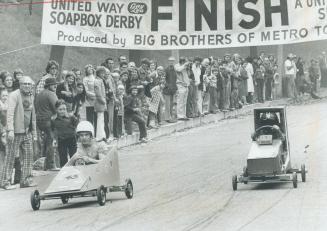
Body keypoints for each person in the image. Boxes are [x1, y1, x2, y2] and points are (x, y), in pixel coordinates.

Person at [0, 76, 37, 189]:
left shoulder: (31, 95)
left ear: (31, 86)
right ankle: (5, 182)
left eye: (28, 84)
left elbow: (32, 115)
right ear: (20, 85)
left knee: (28, 156)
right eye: (24, 84)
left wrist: (34, 132)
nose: (26, 86)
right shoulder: (14, 95)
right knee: (10, 157)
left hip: (27, 131)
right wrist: (10, 130)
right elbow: (10, 114)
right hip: (15, 132)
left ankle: (25, 180)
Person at [35, 77, 58, 170]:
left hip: (39, 121)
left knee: (45, 142)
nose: (55, 86)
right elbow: (57, 107)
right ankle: (51, 164)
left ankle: (43, 163)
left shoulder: (39, 94)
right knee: (52, 142)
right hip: (49, 121)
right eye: (53, 84)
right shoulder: (51, 94)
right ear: (48, 86)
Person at [51, 100, 78, 167]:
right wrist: (54, 139)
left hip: (72, 139)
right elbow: (53, 130)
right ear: (56, 109)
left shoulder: (71, 117)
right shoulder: (53, 119)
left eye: (64, 109)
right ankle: (64, 172)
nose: (62, 111)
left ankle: (75, 170)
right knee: (63, 158)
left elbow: (76, 125)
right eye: (60, 109)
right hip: (61, 140)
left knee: (73, 157)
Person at [94, 66, 107, 140]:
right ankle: (99, 136)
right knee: (100, 119)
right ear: (98, 73)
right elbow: (98, 94)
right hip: (99, 102)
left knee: (102, 119)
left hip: (101, 102)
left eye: (104, 73)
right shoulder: (97, 81)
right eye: (102, 73)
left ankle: (102, 135)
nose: (103, 74)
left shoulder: (100, 80)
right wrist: (104, 101)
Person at [163, 56, 177, 123]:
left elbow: (175, 79)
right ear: (168, 62)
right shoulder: (166, 70)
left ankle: (170, 117)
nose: (171, 62)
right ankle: (167, 118)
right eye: (170, 61)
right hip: (167, 90)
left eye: (172, 61)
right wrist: (167, 86)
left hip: (173, 90)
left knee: (171, 104)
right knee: (167, 105)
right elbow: (163, 79)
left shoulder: (174, 70)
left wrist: (175, 87)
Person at [83, 64, 97, 132]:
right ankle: (90, 131)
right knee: (90, 117)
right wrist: (94, 95)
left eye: (91, 67)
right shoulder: (85, 79)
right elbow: (86, 91)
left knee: (97, 117)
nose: (90, 69)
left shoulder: (96, 78)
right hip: (90, 100)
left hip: (97, 100)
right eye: (88, 68)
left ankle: (96, 131)